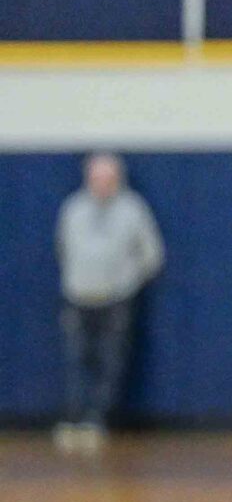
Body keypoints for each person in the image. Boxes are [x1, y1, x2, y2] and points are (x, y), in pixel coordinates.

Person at [54, 151, 164, 449]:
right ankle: (74, 418)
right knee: (77, 359)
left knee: (110, 362)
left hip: (116, 300)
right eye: (96, 177)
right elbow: (63, 247)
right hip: (78, 297)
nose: (101, 183)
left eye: (107, 178)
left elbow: (151, 256)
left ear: (118, 179)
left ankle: (97, 419)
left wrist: (126, 284)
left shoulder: (133, 209)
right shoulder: (73, 208)